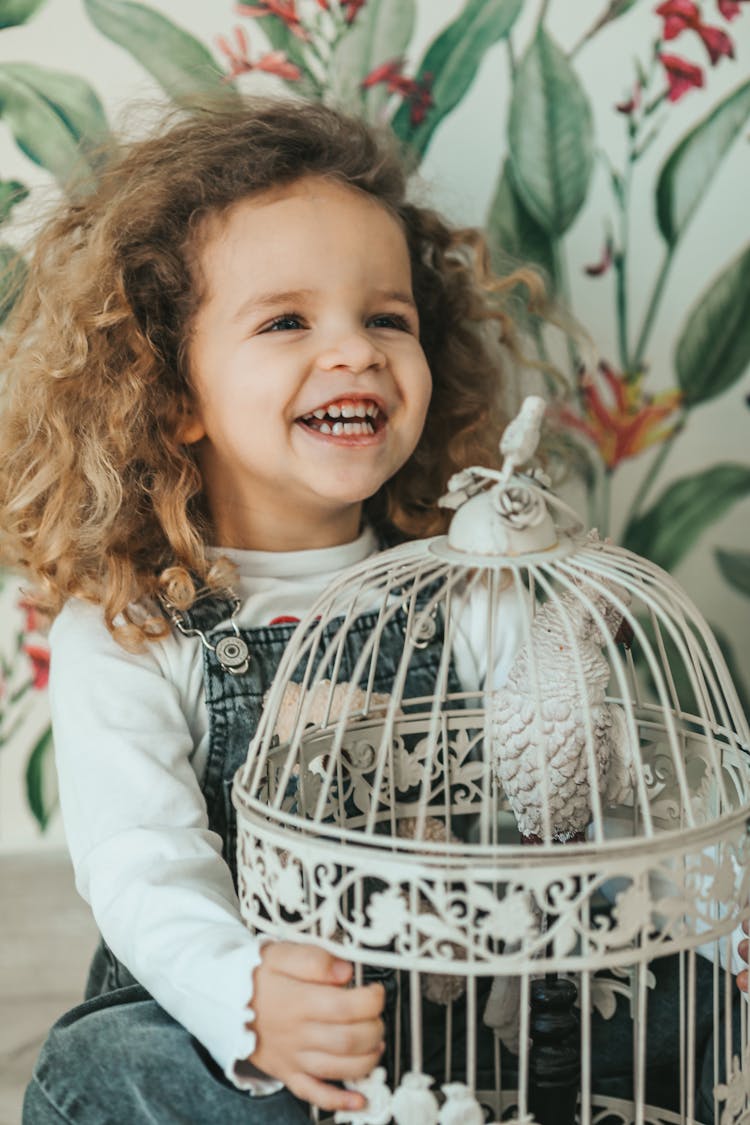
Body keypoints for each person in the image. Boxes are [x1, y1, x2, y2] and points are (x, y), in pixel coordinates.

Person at [0, 95, 541, 1124]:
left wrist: (555, 636)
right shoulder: (132, 630)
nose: (356, 352)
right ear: (175, 396)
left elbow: (548, 805)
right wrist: (251, 1003)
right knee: (118, 1062)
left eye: (388, 318)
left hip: (446, 1002)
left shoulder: (464, 588)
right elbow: (144, 873)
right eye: (288, 321)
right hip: (231, 1022)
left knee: (652, 996)